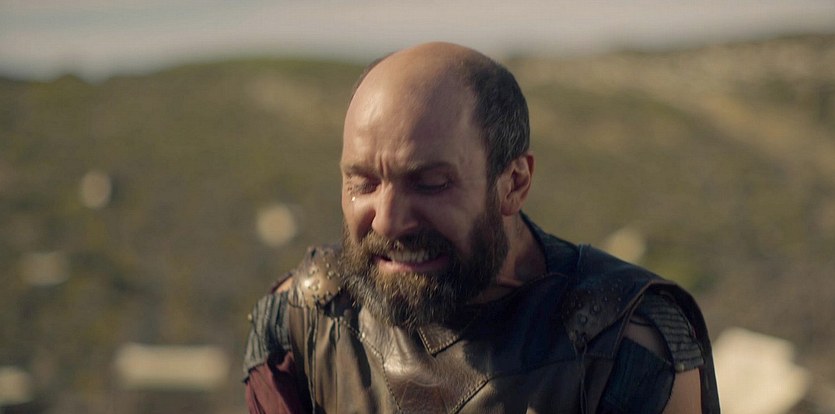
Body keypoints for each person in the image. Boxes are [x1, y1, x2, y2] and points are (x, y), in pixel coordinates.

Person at [243, 42, 720, 414]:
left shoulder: (624, 347)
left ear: (514, 183)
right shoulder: (307, 321)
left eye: (430, 183)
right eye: (363, 183)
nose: (387, 219)